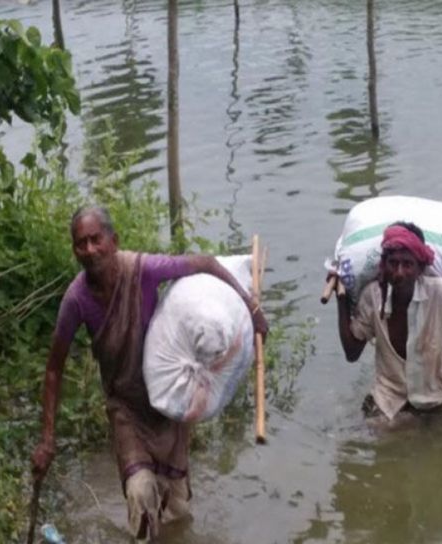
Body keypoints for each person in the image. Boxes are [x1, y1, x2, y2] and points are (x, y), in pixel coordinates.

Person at [30, 206, 269, 541]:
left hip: (170, 404)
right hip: (126, 409)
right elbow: (54, 369)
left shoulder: (142, 270)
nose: (89, 250)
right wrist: (47, 439)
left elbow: (206, 264)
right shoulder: (77, 300)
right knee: (141, 494)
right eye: (80, 244)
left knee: (178, 513)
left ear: (114, 241)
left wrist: (250, 307)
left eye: (96, 240)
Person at [335, 221, 442, 423]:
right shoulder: (373, 296)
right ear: (384, 265)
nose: (399, 272)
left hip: (434, 403)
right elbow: (351, 353)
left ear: (420, 268)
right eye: (393, 263)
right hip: (386, 404)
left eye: (408, 264)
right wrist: (340, 298)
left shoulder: (441, 293)